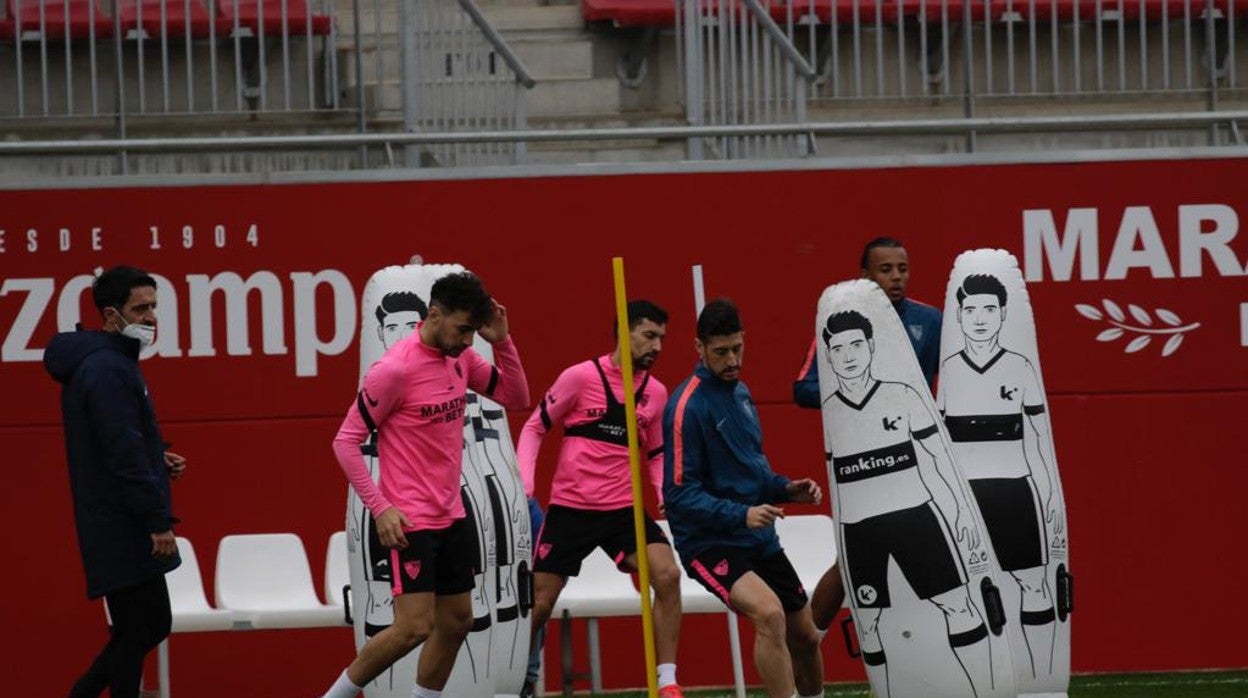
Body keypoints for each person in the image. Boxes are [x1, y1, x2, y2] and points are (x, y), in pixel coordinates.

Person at [322, 271, 531, 698]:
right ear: (434, 314)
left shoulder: (461, 359)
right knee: (413, 627)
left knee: (457, 621)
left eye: (473, 331)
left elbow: (517, 398)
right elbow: (344, 442)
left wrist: (503, 342)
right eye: (463, 329)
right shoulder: (394, 370)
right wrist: (381, 508)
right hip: (409, 521)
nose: (468, 340)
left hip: (452, 515)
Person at [517, 300, 685, 698]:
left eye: (662, 338)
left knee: (668, 574)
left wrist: (663, 493)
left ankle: (667, 681)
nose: (657, 346)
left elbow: (656, 453)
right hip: (571, 510)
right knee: (540, 603)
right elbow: (534, 427)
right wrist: (526, 484)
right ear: (624, 332)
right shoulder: (579, 377)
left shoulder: (656, 393)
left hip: (623, 511)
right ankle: (509, 680)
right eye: (649, 335)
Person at [821, 310, 989, 697]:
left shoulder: (903, 395)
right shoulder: (832, 413)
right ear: (829, 357)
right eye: (839, 349)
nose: (848, 356)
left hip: (916, 517)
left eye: (856, 345)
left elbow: (938, 461)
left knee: (958, 605)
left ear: (871, 347)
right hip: (860, 530)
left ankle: (978, 689)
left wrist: (959, 512)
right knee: (870, 625)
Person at [663, 299, 825, 698]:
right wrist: (742, 514)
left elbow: (753, 473)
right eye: (721, 352)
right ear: (699, 348)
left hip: (757, 538)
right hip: (708, 541)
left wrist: (785, 489)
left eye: (737, 348)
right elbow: (678, 496)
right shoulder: (686, 407)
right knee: (769, 615)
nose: (732, 360)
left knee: (805, 636)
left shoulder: (741, 393)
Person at [44, 265, 187, 698]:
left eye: (154, 306)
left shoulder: (110, 362)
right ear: (111, 315)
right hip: (122, 522)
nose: (151, 317)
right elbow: (121, 451)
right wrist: (156, 521)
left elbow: (117, 441)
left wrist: (157, 458)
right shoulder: (107, 368)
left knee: (135, 627)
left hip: (113, 515)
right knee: (148, 625)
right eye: (140, 309)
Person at [791, 236, 942, 642]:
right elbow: (803, 388)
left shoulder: (930, 321)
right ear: (865, 276)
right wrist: (860, 391)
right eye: (885, 269)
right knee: (852, 559)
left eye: (902, 269)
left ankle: (939, 649)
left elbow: (949, 384)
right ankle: (805, 644)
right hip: (863, 463)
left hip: (917, 459)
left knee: (940, 548)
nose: (896, 277)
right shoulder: (840, 325)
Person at [939, 273, 1062, 679]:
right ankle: (986, 683)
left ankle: (1040, 678)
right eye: (971, 310)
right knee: (967, 594)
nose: (980, 319)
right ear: (959, 316)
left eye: (989, 309)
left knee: (1033, 583)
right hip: (966, 498)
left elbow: (1039, 440)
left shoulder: (1019, 367)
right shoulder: (948, 371)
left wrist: (1048, 495)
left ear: (1003, 314)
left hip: (1014, 492)